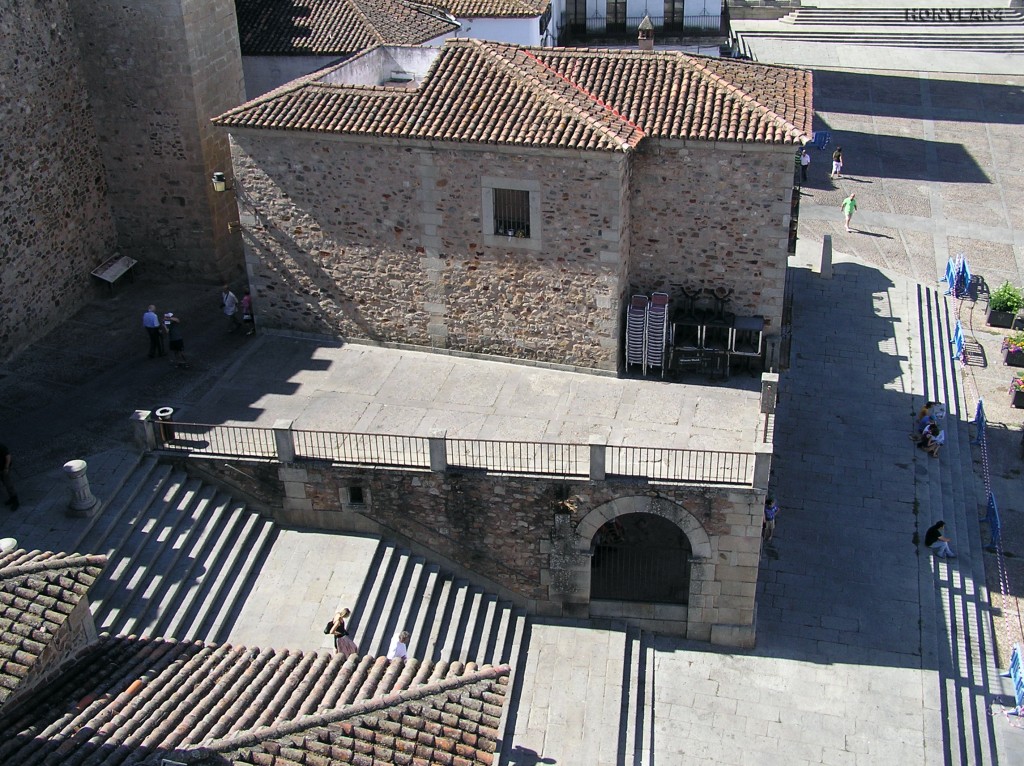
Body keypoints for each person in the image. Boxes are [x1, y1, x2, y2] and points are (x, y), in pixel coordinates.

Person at [0, 443, 19, 511]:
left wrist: (6, 467)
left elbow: (8, 456)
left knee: (8, 485)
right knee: (5, 484)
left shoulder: (1, 446)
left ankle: (15, 501)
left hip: (4, 469)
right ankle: (11, 498)